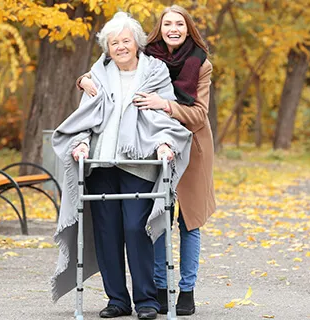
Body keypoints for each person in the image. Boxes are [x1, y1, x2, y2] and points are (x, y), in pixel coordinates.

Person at [51, 12, 193, 320]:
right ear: (107, 47)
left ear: (137, 43)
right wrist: (82, 143)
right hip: (101, 163)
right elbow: (86, 116)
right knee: (107, 232)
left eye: (126, 41)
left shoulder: (155, 71)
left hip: (138, 162)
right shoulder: (97, 74)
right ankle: (117, 299)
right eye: (114, 42)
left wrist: (164, 143)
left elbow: (161, 117)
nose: (120, 47)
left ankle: (146, 301)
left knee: (135, 228)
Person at [77, 5, 216, 316]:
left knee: (180, 222)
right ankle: (136, 295)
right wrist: (82, 81)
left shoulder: (189, 65)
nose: (173, 28)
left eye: (180, 23)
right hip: (123, 156)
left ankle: (179, 292)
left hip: (183, 148)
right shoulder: (136, 59)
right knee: (129, 227)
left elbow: (194, 115)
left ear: (188, 28)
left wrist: (164, 113)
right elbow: (96, 81)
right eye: (168, 23)